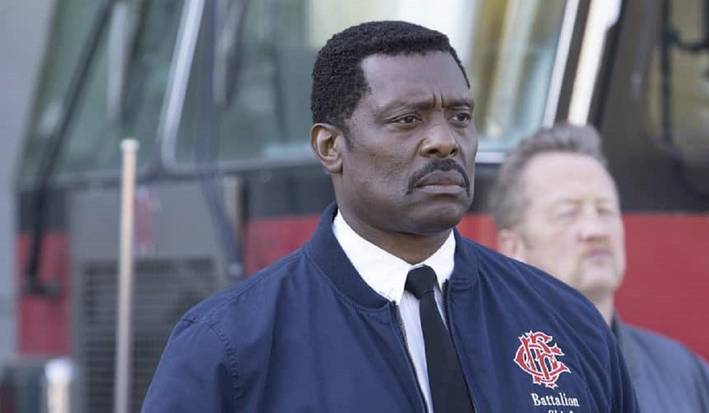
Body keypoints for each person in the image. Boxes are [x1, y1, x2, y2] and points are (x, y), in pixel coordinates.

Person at [142, 22, 638, 412]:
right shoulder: (229, 346)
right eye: (407, 120)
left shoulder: (566, 321)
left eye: (461, 117)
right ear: (330, 146)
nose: (445, 140)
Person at [489, 124, 709, 413]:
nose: (595, 229)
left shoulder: (685, 373)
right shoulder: (481, 371)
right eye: (568, 213)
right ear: (513, 247)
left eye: (604, 210)